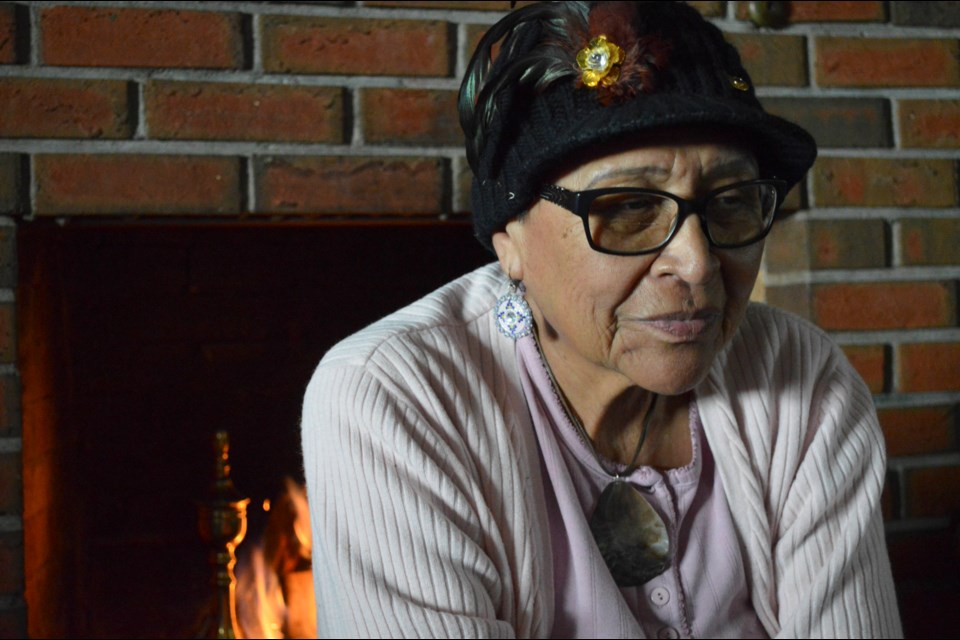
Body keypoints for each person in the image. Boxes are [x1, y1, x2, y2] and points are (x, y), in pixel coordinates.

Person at [300, 1, 903, 637]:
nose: (698, 265)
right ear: (511, 240)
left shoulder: (802, 380)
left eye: (731, 202)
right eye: (625, 207)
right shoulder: (395, 399)